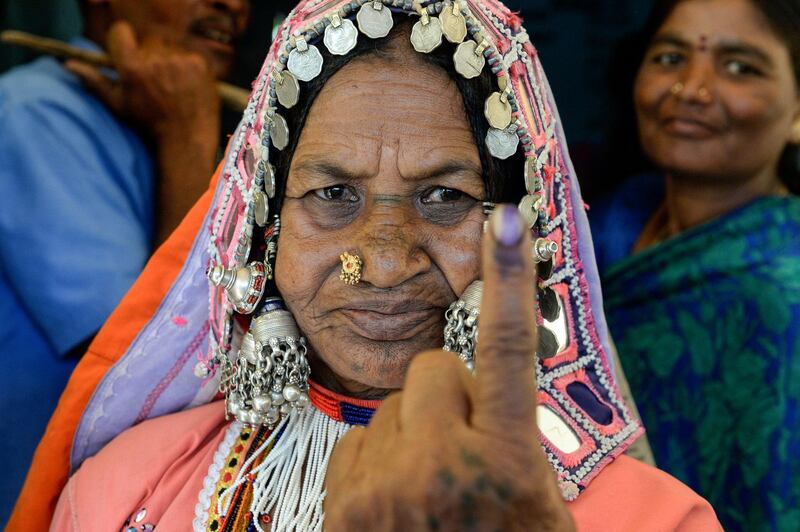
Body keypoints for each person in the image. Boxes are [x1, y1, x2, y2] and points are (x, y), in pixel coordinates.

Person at [14, 1, 719, 530]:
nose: (384, 261)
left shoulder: (654, 519)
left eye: (445, 196)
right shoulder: (125, 492)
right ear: (265, 230)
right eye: (334, 194)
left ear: (525, 232)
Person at [0, 0, 250, 523]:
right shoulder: (37, 112)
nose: (233, 6)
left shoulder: (147, 119)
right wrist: (189, 133)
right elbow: (163, 372)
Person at [590, 0, 800, 529]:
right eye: (669, 58)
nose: (691, 89)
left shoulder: (785, 291)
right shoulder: (598, 228)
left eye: (740, 67)